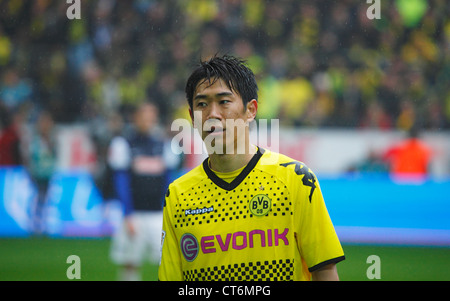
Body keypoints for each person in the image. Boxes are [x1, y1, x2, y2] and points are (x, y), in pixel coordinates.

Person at [158, 55, 345, 281]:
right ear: (191, 116)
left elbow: (324, 271)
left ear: (251, 110)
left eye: (224, 101)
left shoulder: (295, 179)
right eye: (202, 104)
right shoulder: (178, 194)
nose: (212, 114)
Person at [108, 101, 167, 281]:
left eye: (151, 116)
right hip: (135, 214)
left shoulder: (163, 145)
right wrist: (128, 214)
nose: (148, 120)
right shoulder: (124, 144)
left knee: (169, 262)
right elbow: (121, 181)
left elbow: (168, 181)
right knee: (130, 262)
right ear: (135, 118)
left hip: (158, 214)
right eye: (144, 116)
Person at [27, 110, 57, 235]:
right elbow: (31, 157)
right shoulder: (36, 140)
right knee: (38, 199)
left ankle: (42, 225)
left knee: (45, 199)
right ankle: (35, 225)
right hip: (38, 174)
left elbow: (54, 156)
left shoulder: (51, 140)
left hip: (48, 174)